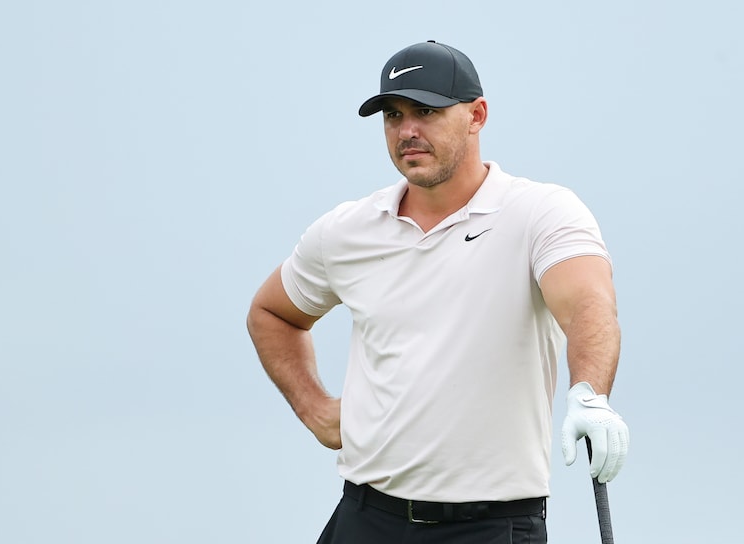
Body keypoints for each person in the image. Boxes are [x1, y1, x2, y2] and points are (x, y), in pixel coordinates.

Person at [246, 40, 630, 543]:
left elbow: (587, 305)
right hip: (366, 518)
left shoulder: (541, 212)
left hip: (491, 527)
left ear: (477, 115)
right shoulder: (347, 230)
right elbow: (272, 313)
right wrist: (314, 408)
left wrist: (589, 394)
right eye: (393, 115)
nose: (407, 131)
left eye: (426, 111)